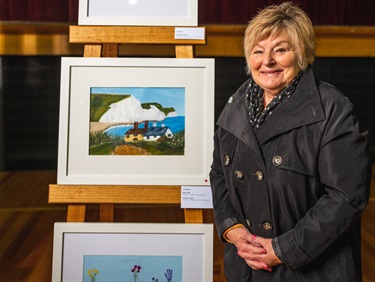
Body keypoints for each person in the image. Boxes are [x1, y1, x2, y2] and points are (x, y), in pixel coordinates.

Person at [209, 2, 371, 281]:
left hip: (312, 271)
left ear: (302, 53)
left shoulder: (332, 108)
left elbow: (346, 197)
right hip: (247, 267)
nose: (267, 61)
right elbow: (218, 175)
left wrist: (285, 249)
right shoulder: (235, 104)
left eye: (280, 50)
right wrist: (232, 229)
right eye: (258, 51)